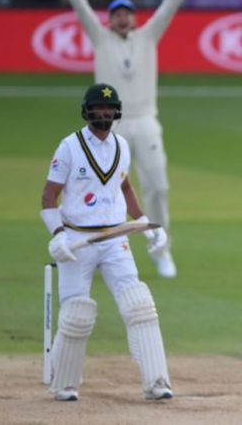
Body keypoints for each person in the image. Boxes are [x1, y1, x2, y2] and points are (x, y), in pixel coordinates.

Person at [57, 0, 196, 278]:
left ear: (134, 17)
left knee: (158, 187)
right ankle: (98, 253)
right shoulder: (100, 38)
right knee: (103, 190)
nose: (122, 18)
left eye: (127, 13)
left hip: (146, 122)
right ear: (110, 19)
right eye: (117, 14)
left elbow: (168, 7)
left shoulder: (148, 36)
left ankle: (161, 248)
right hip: (110, 128)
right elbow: (82, 9)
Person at [40, 83, 173, 401]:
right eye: (99, 107)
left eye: (109, 108)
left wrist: (144, 223)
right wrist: (58, 234)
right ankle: (65, 383)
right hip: (77, 239)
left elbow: (123, 187)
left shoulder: (121, 145)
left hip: (115, 238)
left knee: (139, 304)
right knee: (76, 312)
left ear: (117, 112)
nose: (104, 113)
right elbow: (48, 196)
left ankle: (157, 381)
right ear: (87, 111)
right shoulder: (69, 147)